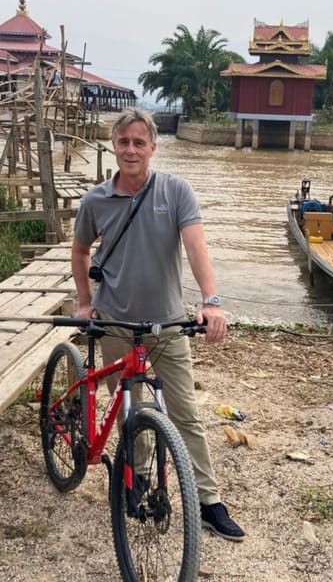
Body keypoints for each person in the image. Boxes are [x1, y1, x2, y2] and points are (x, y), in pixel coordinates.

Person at [70, 107, 245, 542]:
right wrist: (85, 302)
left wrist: (212, 302)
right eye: (123, 142)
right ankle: (140, 480)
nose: (131, 150)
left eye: (139, 143)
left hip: (168, 323)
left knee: (185, 413)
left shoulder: (176, 190)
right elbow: (79, 252)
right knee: (131, 411)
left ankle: (209, 501)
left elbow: (196, 246)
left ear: (153, 147)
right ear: (114, 145)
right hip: (114, 324)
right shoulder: (95, 200)